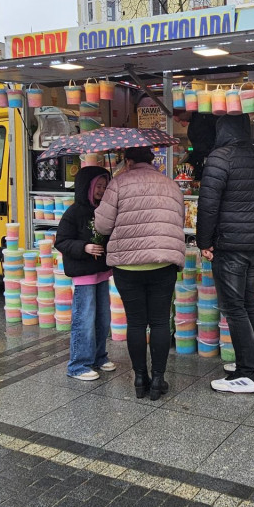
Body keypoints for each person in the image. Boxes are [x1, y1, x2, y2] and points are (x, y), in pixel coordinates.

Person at [94, 146, 185, 400]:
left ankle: (139, 378)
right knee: (158, 322)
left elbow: (102, 225)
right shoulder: (170, 184)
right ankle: (158, 379)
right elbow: (179, 219)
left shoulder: (119, 183)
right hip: (163, 263)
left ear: (128, 160)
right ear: (152, 160)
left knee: (136, 322)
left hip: (127, 265)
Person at [197, 114, 254, 394]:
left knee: (235, 309)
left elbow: (208, 206)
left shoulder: (219, 158)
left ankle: (246, 375)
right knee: (249, 304)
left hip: (231, 246)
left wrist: (204, 241)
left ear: (222, 130)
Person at [55, 166, 115, 381]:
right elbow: (61, 241)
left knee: (103, 318)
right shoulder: (74, 212)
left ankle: (99, 356)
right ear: (87, 187)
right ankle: (78, 364)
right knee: (85, 319)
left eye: (105, 185)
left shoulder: (103, 210)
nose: (102, 189)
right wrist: (84, 247)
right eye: (98, 186)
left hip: (101, 272)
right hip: (84, 274)